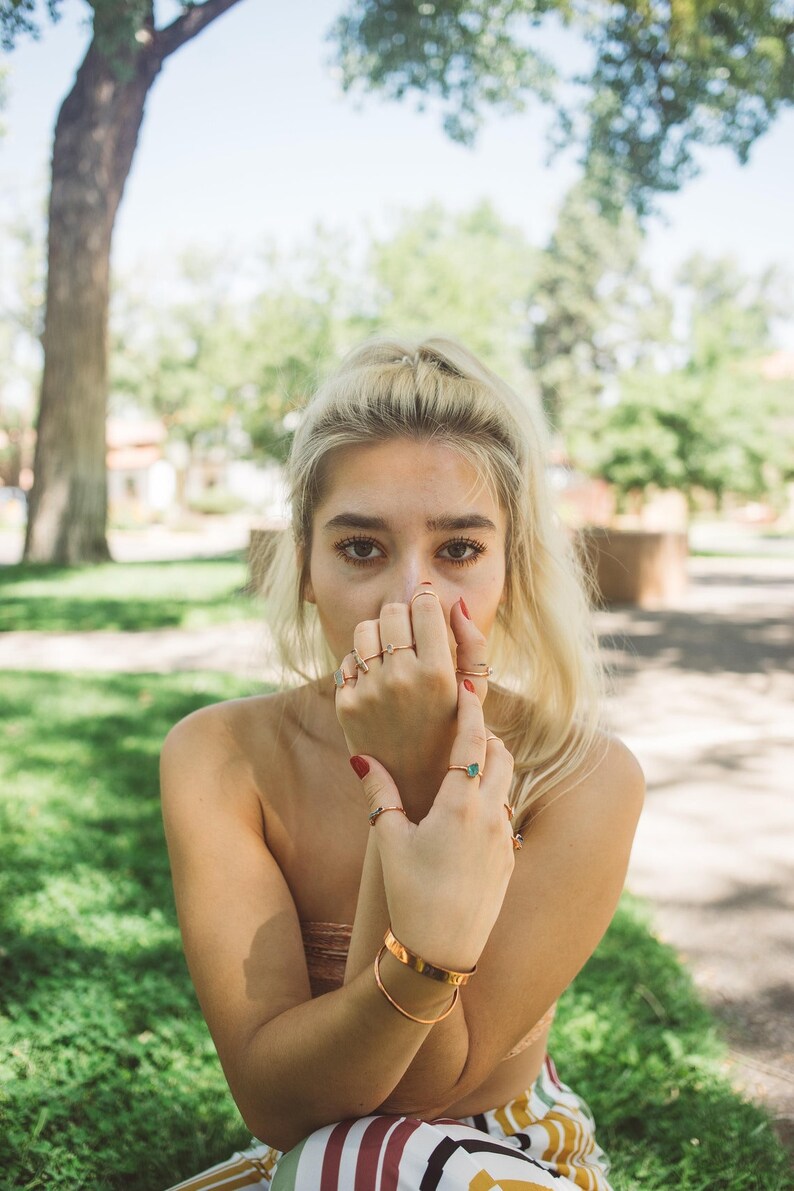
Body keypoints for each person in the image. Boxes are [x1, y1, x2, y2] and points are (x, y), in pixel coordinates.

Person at [160, 336, 644, 1191]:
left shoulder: (587, 775)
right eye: (360, 548)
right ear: (305, 566)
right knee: (337, 1159)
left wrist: (416, 774)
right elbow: (274, 1101)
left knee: (372, 1156)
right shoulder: (218, 754)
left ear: (511, 568)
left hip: (505, 1150)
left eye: (458, 550)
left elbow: (431, 1091)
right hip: (300, 1151)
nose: (409, 598)